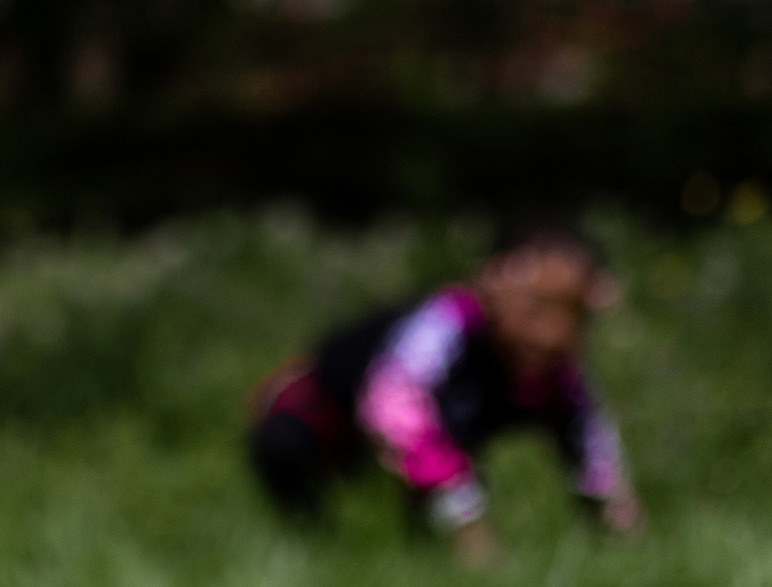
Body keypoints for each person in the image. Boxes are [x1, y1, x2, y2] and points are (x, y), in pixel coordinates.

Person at [246, 220, 641, 564]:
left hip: (435, 425)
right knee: (286, 447)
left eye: (572, 315)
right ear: (493, 285)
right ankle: (317, 550)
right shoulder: (445, 324)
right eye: (535, 308)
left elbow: (590, 443)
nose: (552, 333)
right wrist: (468, 525)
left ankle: (423, 556)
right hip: (331, 407)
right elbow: (394, 406)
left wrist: (620, 525)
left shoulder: (551, 372)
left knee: (446, 470)